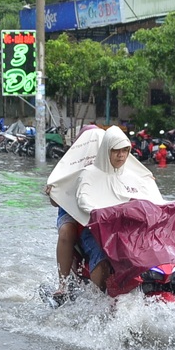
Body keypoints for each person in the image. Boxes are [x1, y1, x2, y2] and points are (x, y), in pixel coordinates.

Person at [75, 125, 164, 292]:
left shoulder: (133, 176)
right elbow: (83, 199)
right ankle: (100, 294)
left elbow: (151, 199)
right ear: (106, 150)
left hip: (129, 228)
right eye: (116, 151)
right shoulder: (89, 174)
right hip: (97, 229)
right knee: (102, 259)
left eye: (125, 150)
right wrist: (101, 213)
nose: (121, 155)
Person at [44, 124, 103, 298]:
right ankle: (62, 283)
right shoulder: (68, 164)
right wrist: (52, 191)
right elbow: (55, 201)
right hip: (71, 211)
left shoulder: (109, 160)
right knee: (66, 231)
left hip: (102, 211)